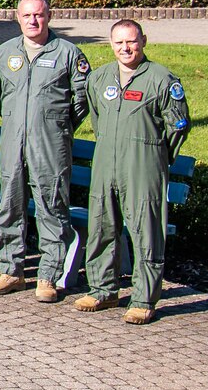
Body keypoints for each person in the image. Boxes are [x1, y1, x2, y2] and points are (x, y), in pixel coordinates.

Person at [78, 19, 189, 324]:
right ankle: (103, 288)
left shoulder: (161, 79)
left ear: (144, 41)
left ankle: (143, 297)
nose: (125, 48)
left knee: (145, 230)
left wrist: (155, 152)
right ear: (110, 44)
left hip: (144, 163)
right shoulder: (100, 78)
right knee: (102, 225)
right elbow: (97, 118)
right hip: (106, 162)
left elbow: (178, 126)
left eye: (132, 41)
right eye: (119, 42)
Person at [0, 0, 90, 301]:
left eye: (39, 15)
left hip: (50, 144)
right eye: (27, 15)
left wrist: (57, 125)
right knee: (9, 203)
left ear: (49, 16)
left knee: (51, 206)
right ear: (17, 17)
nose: (33, 21)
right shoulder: (5, 53)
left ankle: (48, 276)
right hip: (13, 141)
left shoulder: (68, 53)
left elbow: (82, 99)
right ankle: (11, 270)